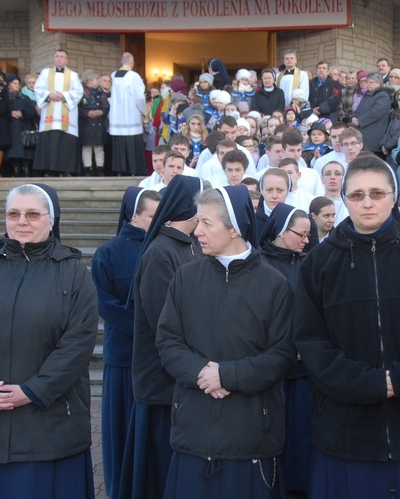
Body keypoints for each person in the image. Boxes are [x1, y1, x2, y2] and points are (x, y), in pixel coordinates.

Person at [293, 154, 400, 497]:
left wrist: (399, 380)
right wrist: (368, 384)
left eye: (377, 193)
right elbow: (312, 343)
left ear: (393, 196)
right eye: (356, 195)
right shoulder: (319, 263)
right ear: (344, 199)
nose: (367, 203)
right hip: (346, 432)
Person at [0, 183, 98, 499]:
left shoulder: (73, 274)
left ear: (51, 220)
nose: (21, 222)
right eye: (13, 214)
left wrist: (32, 391)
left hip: (48, 425)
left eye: (32, 214)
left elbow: (77, 344)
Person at [155, 185, 294, 498]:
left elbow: (282, 354)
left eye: (207, 223)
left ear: (233, 229)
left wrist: (227, 375)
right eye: (198, 221)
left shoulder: (274, 284)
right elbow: (167, 341)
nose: (197, 231)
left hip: (250, 433)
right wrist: (203, 372)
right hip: (193, 427)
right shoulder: (185, 277)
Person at [125, 175, 204, 499]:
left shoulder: (189, 245)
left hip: (181, 373)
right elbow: (163, 319)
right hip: (161, 377)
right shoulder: (161, 251)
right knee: (158, 465)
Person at [91, 186, 160, 499]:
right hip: (124, 357)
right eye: (153, 215)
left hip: (158, 356)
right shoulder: (108, 252)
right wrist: (149, 331)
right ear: (135, 215)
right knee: (121, 429)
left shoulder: (160, 247)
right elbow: (106, 305)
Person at [258, 202, 311, 496]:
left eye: (307, 235)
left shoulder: (307, 261)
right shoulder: (260, 263)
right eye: (300, 234)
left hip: (304, 367)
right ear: (280, 231)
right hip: (274, 366)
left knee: (301, 434)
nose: (306, 241)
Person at [34, 49, 84, 176]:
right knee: (50, 142)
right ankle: (49, 170)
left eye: (62, 56)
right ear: (54, 58)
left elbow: (79, 91)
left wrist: (64, 96)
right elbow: (38, 88)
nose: (59, 58)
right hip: (49, 117)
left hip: (67, 115)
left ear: (67, 60)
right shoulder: (45, 73)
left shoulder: (73, 75)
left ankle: (66, 169)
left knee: (65, 142)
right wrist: (49, 95)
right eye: (57, 56)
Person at [109, 53, 147, 176]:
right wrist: (143, 110)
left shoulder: (113, 75)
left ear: (121, 62)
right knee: (132, 143)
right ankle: (133, 170)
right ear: (132, 62)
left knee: (119, 144)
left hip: (116, 117)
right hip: (130, 115)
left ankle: (120, 171)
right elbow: (139, 97)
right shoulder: (133, 76)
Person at [5, 74, 39, 178]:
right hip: (9, 128)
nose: (17, 85)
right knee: (12, 152)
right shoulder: (4, 98)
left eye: (18, 83)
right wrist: (9, 113)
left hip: (24, 128)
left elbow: (31, 110)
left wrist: (22, 113)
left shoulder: (25, 98)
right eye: (14, 83)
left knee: (26, 152)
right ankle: (15, 171)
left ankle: (26, 171)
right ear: (8, 85)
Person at [78, 70, 109, 176]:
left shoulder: (101, 93)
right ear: (89, 80)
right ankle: (88, 168)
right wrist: (87, 113)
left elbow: (106, 106)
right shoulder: (81, 92)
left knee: (99, 148)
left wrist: (102, 111)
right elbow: (77, 108)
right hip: (86, 124)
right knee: (87, 148)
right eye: (96, 79)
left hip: (99, 123)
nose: (98, 82)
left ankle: (100, 168)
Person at [351, 72, 393, 154]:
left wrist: (360, 121)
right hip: (363, 135)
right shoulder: (367, 95)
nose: (368, 84)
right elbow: (357, 110)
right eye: (367, 82)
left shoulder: (382, 95)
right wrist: (353, 118)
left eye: (371, 82)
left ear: (378, 83)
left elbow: (376, 112)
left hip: (374, 136)